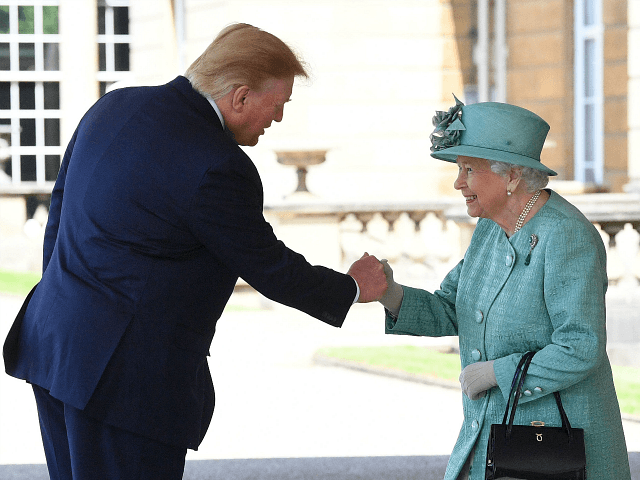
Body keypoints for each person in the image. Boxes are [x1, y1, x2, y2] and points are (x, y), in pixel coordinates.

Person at [2, 23, 387, 480]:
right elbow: (269, 267)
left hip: (54, 349)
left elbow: (59, 214)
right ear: (240, 96)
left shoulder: (114, 105)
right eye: (279, 104)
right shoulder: (220, 166)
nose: (279, 118)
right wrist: (352, 287)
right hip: (124, 386)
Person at [372, 98, 631, 479]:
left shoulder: (567, 237)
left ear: (511, 177)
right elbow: (450, 306)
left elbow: (580, 346)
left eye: (469, 169)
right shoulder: (490, 229)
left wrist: (497, 372)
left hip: (555, 446)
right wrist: (388, 291)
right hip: (493, 438)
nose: (459, 182)